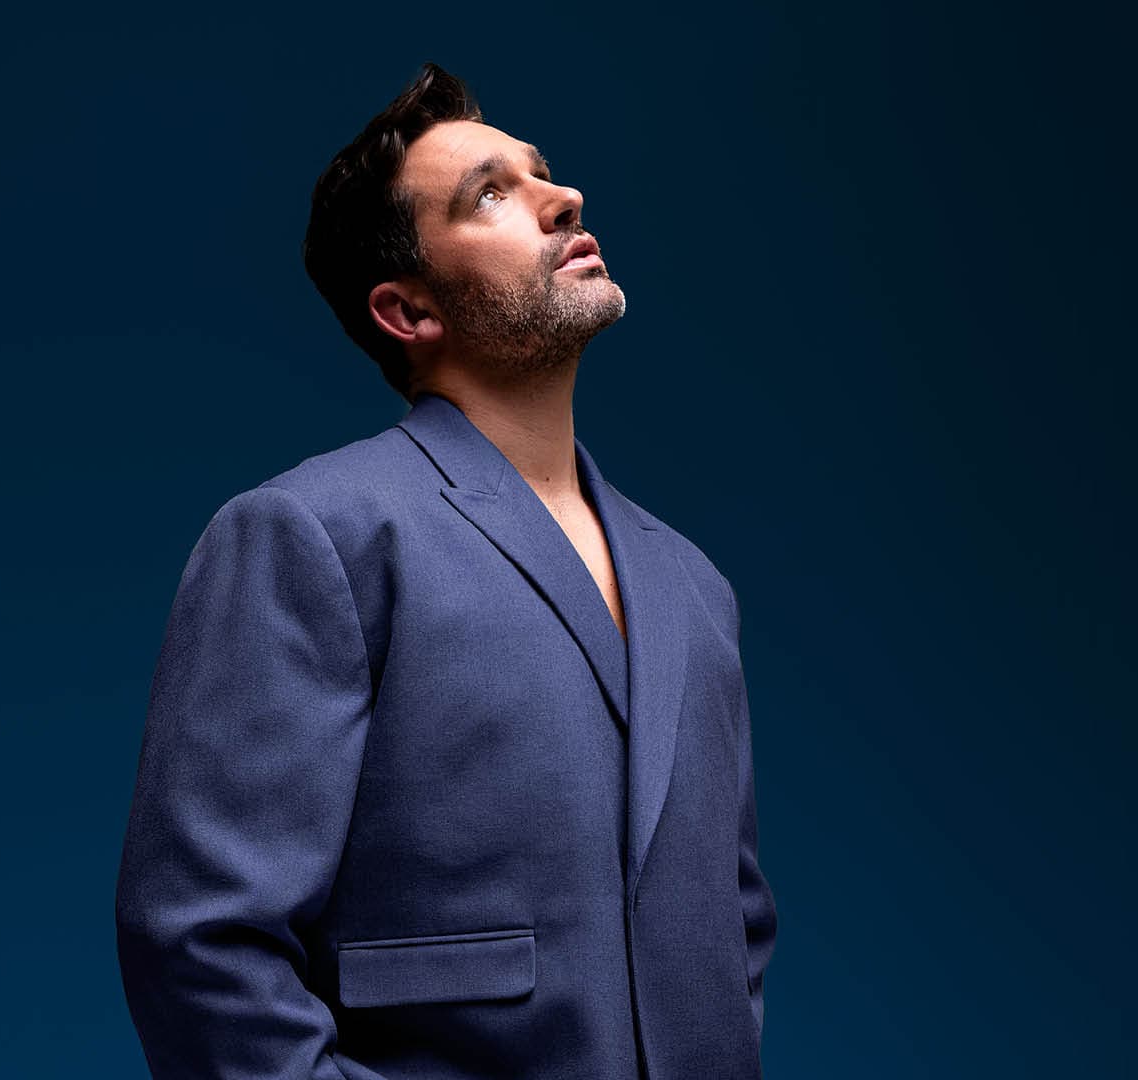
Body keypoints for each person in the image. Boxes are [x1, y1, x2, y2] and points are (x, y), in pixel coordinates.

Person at [114, 62, 777, 1079]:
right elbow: (201, 946)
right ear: (407, 310)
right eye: (492, 195)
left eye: (543, 171)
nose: (565, 198)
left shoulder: (695, 585)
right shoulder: (312, 535)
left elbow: (735, 927)